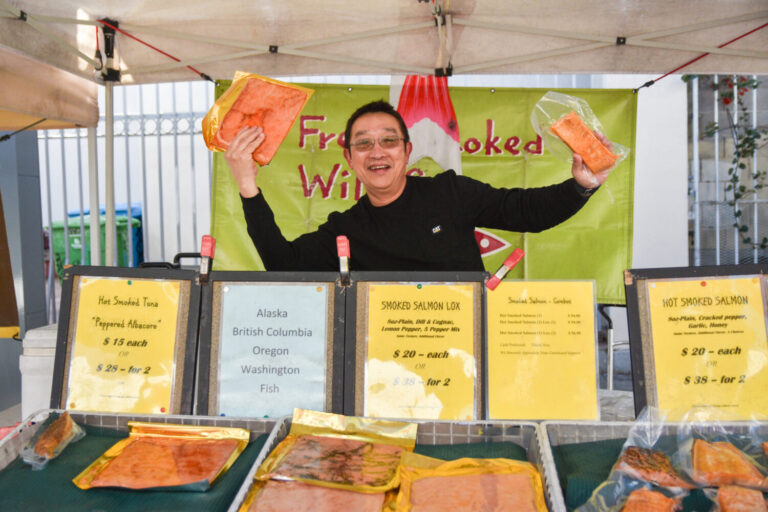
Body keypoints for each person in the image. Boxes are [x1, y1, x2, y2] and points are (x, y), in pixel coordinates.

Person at [225, 100, 613, 271]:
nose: (376, 152)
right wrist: (247, 186)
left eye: (388, 141)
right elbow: (283, 264)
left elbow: (529, 211)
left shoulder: (450, 194)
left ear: (407, 152)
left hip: (467, 351)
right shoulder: (346, 228)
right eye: (363, 143)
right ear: (349, 159)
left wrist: (580, 186)